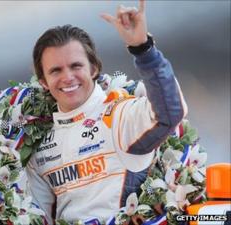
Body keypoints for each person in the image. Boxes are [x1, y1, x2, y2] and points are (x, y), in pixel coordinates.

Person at [25, 0, 188, 224]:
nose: (67, 77)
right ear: (43, 81)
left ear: (94, 68)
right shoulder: (38, 143)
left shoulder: (119, 114)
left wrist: (143, 49)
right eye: (56, 70)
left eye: (76, 66)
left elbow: (169, 113)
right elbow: (38, 217)